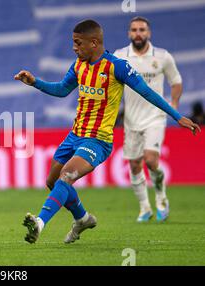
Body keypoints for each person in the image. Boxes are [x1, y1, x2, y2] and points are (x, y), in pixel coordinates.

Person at [14, 19, 200, 244]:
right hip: (75, 135)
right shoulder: (79, 65)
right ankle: (82, 219)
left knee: (66, 176)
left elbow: (148, 93)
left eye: (77, 43)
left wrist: (177, 116)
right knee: (53, 182)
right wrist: (36, 82)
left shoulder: (117, 67)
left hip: (98, 140)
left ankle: (39, 222)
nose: (74, 48)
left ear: (93, 43)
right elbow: (62, 89)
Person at [114, 17, 183, 222]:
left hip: (155, 118)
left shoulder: (162, 57)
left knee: (151, 161)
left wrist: (174, 107)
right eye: (134, 30)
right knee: (134, 165)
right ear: (129, 34)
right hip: (131, 120)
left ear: (149, 33)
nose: (138, 33)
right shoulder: (120, 57)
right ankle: (145, 208)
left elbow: (176, 82)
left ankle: (161, 199)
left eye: (142, 30)